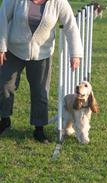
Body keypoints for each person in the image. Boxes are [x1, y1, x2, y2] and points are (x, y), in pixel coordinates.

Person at [0, 0, 83, 143]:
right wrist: (1, 47)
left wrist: (75, 53)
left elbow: (71, 26)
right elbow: (2, 18)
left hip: (42, 53)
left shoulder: (59, 2)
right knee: (4, 84)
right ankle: (4, 119)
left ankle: (39, 129)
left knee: (40, 91)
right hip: (13, 49)